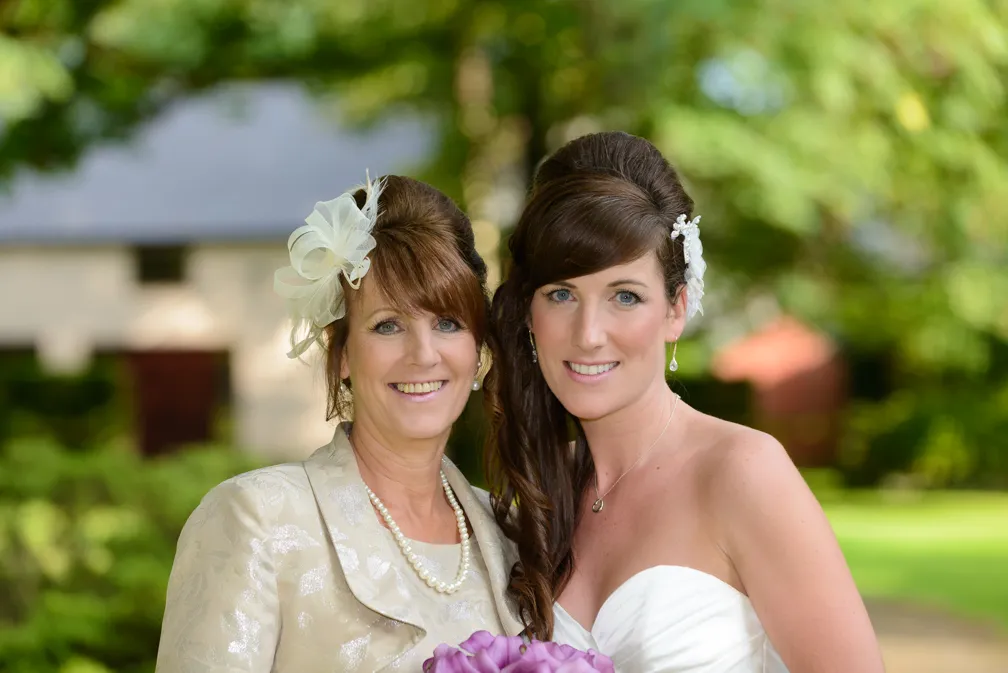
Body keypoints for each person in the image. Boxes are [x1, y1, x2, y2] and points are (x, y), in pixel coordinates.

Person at [485, 131, 885, 672]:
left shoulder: (743, 471)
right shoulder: (535, 500)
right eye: (562, 294)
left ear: (676, 308)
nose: (589, 333)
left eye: (625, 296)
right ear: (530, 314)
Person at [156, 174, 522, 672]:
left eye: (447, 323)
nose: (423, 354)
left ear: (478, 349)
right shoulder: (258, 520)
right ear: (342, 351)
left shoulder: (511, 537)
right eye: (387, 325)